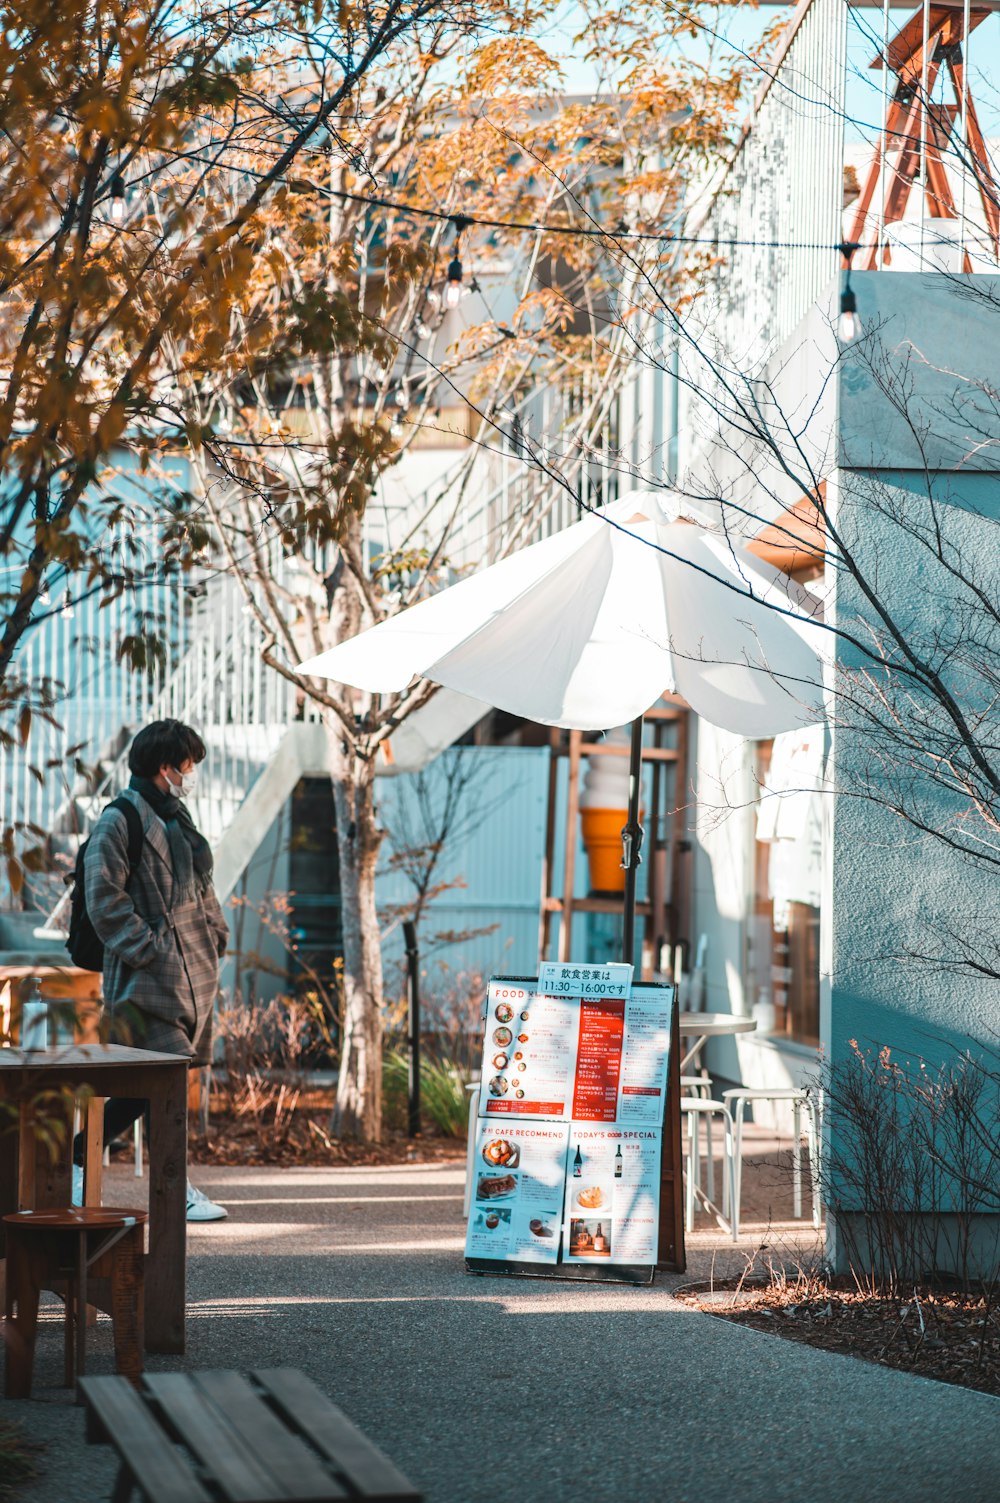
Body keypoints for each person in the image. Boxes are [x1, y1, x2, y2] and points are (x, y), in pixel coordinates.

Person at [72, 718, 229, 1222]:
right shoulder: (120, 818)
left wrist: (217, 933)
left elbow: (203, 888)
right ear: (166, 767)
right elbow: (102, 896)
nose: (193, 773)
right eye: (188, 765)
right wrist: (149, 947)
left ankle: (77, 1159)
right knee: (164, 1081)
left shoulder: (178, 818)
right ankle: (173, 1186)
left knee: (149, 1086)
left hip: (191, 973)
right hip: (145, 978)